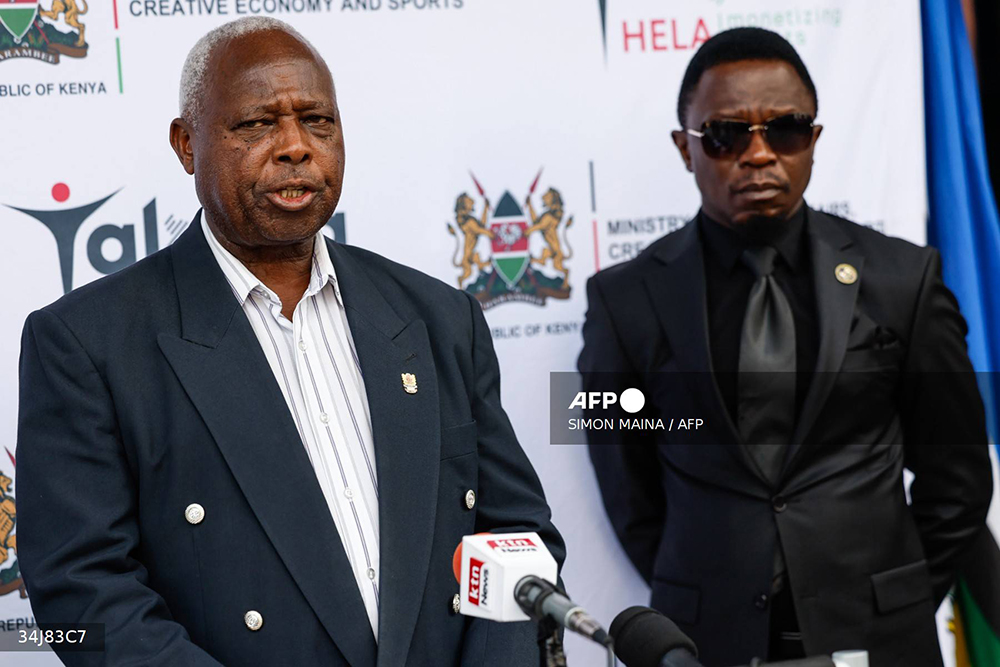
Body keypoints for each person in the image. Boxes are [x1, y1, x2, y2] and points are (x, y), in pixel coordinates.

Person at [16, 17, 563, 667]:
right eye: (256, 124)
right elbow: (85, 594)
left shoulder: (439, 318)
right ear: (187, 144)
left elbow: (516, 540)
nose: (295, 146)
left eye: (317, 121)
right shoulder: (88, 342)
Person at [579, 27, 992, 667]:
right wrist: (706, 587)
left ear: (815, 141)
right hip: (703, 641)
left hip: (882, 641)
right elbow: (624, 490)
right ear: (685, 149)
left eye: (787, 130)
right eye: (725, 135)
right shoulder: (618, 301)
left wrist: (896, 596)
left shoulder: (905, 279)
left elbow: (960, 480)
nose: (759, 155)